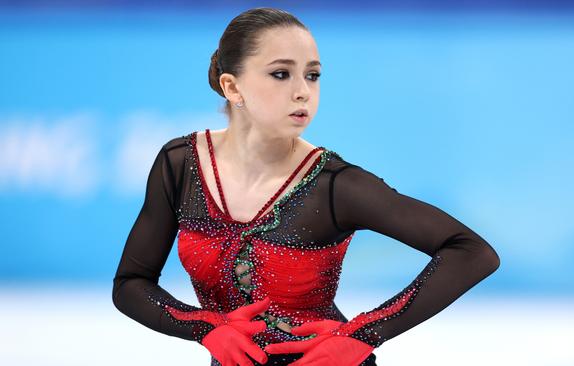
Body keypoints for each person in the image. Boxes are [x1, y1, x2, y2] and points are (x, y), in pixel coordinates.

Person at [111, 7, 500, 366]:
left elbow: (472, 252)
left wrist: (364, 333)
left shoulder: (334, 185)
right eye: (281, 74)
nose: (303, 91)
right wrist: (204, 327)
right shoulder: (180, 165)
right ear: (232, 87)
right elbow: (131, 283)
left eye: (312, 75)